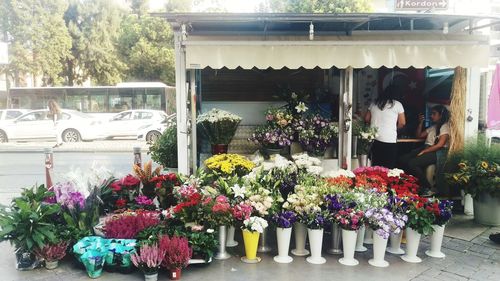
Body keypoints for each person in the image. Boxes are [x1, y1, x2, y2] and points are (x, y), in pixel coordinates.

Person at [398, 105, 450, 197]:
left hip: (437, 151)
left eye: (434, 114)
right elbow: (419, 135)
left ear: (441, 115)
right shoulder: (433, 127)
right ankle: (410, 184)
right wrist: (420, 123)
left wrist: (425, 151)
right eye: (431, 114)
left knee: (412, 163)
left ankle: (428, 187)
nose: (431, 116)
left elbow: (440, 145)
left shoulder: (445, 127)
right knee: (403, 159)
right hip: (426, 148)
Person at [364, 85, 406, 168]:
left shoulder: (374, 103)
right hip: (389, 140)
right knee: (388, 168)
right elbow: (402, 123)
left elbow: (366, 119)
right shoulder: (398, 104)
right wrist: (394, 129)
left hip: (375, 140)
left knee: (376, 167)